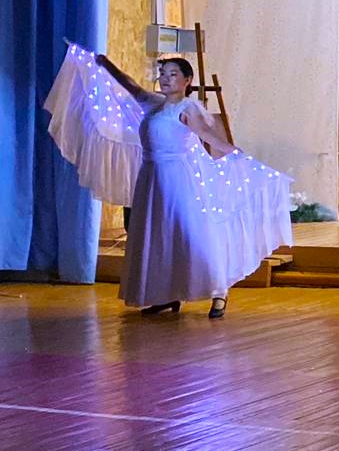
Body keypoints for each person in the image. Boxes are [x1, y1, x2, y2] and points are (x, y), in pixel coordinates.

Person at [45, 45, 293, 319]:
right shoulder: (153, 104)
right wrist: (105, 64)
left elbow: (208, 136)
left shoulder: (188, 108)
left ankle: (218, 290)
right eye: (163, 73)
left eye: (173, 74)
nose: (165, 78)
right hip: (151, 178)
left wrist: (239, 157)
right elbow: (130, 85)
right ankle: (167, 293)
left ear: (187, 80)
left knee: (188, 232)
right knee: (160, 235)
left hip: (178, 179)